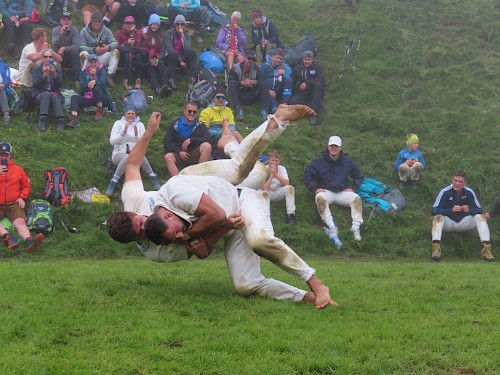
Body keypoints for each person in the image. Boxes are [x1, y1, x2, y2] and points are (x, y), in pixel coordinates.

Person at [108, 107, 335, 309]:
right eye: (140, 232)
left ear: (131, 212)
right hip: (228, 217)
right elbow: (203, 249)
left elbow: (133, 163)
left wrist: (149, 132)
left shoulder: (140, 197)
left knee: (245, 173)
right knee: (246, 285)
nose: (145, 224)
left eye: (140, 221)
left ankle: (273, 122)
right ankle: (308, 297)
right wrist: (214, 232)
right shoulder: (156, 249)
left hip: (197, 185)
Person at [304, 135, 364, 242]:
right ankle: (331, 226)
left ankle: (356, 228)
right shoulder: (319, 161)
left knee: (356, 198)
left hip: (342, 192)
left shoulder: (348, 161)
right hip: (326, 191)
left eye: (336, 146)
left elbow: (359, 176)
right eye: (332, 146)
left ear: (341, 148)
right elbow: (308, 175)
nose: (334, 148)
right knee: (319, 197)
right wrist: (314, 188)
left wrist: (353, 188)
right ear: (328, 147)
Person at [431, 170, 494, 262]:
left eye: (460, 181)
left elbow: (479, 210)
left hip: (464, 223)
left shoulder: (469, 192)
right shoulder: (445, 192)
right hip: (448, 223)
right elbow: (434, 210)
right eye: (455, 180)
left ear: (465, 183)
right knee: (437, 217)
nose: (457, 183)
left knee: (480, 217)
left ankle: (486, 249)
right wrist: (451, 210)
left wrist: (470, 210)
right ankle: (436, 249)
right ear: (452, 180)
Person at [105, 104, 161, 195]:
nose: (131, 115)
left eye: (133, 114)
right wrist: (123, 133)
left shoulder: (140, 125)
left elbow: (143, 142)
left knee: (138, 155)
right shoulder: (118, 123)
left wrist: (136, 135)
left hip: (136, 154)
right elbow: (112, 141)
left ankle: (152, 176)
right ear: (125, 114)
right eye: (128, 113)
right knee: (128, 156)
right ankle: (113, 182)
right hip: (119, 154)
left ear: (135, 115)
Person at [0, 142, 44, 253]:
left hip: (13, 204)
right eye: (1, 154)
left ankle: (29, 242)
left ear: (10, 155)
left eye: (6, 154)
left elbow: (26, 186)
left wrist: (22, 197)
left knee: (20, 222)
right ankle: (8, 237)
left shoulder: (18, 170)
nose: (3, 157)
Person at [163, 102, 212, 176]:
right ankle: (178, 181)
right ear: (184, 111)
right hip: (178, 155)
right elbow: (167, 143)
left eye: (194, 112)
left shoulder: (200, 125)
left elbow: (208, 138)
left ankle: (199, 176)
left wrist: (191, 140)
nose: (192, 113)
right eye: (189, 111)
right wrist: (179, 152)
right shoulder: (174, 124)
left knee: (207, 146)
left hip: (193, 154)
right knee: (168, 157)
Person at [67, 53, 113, 126]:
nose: (93, 64)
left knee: (97, 86)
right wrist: (89, 84)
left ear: (98, 63)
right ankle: (74, 119)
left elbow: (102, 83)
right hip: (88, 98)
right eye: (91, 62)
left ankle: (99, 110)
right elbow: (81, 89)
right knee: (74, 97)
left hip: (101, 98)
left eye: (95, 62)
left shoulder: (102, 71)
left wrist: (95, 81)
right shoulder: (83, 73)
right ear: (87, 63)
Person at [199, 86, 243, 160]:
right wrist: (223, 132)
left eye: (223, 98)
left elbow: (232, 125)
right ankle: (242, 154)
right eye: (218, 97)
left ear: (225, 100)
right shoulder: (206, 112)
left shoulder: (228, 110)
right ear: (214, 99)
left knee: (236, 133)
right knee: (233, 136)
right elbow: (204, 130)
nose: (220, 99)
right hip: (213, 137)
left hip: (228, 133)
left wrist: (227, 132)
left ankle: (247, 152)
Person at [79, 10, 120, 87]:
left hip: (102, 57)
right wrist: (94, 49)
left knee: (115, 52)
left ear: (102, 22)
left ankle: (109, 75)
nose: (97, 23)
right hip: (89, 58)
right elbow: (81, 47)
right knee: (83, 53)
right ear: (91, 21)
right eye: (95, 21)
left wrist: (108, 47)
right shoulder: (84, 31)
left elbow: (115, 43)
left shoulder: (106, 30)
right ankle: (84, 75)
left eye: (99, 21)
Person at [31, 49, 65, 132]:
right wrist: (44, 76)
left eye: (50, 57)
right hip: (40, 94)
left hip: (53, 93)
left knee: (54, 95)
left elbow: (60, 85)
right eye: (45, 56)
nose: (48, 58)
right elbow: (35, 85)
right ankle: (42, 119)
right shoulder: (36, 69)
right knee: (46, 93)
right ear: (42, 58)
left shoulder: (57, 70)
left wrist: (55, 75)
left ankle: (60, 120)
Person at [161, 14, 198, 89]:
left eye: (182, 24)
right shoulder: (169, 33)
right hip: (172, 57)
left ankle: (192, 78)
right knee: (173, 54)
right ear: (175, 25)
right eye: (178, 24)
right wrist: (180, 61)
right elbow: (169, 48)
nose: (180, 26)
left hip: (183, 57)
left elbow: (188, 49)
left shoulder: (186, 35)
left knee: (192, 52)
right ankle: (171, 79)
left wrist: (182, 36)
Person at [290, 51, 325, 126]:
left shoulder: (318, 67)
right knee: (292, 102)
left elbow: (321, 79)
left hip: (315, 90)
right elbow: (293, 81)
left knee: (318, 85)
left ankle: (313, 113)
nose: (307, 61)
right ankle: (314, 103)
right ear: (303, 59)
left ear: (312, 60)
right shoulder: (297, 68)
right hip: (303, 91)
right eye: (305, 59)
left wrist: (307, 83)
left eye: (309, 59)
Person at [262, 149, 296, 225]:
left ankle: (291, 215)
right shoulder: (264, 169)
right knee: (263, 193)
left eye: (276, 161)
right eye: (272, 160)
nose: (274, 162)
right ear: (269, 160)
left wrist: (276, 174)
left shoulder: (282, 169)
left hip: (276, 192)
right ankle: (266, 217)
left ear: (279, 161)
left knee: (290, 188)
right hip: (265, 193)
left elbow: (286, 183)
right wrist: (271, 175)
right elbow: (265, 188)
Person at [142, 13, 172, 98]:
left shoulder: (161, 35)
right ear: (150, 24)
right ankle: (157, 89)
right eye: (153, 24)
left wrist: (158, 58)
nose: (155, 27)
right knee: (150, 69)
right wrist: (149, 59)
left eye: (157, 25)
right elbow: (143, 49)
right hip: (146, 58)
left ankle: (166, 86)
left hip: (156, 57)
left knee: (162, 65)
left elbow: (163, 50)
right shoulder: (143, 34)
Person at [258, 48, 292, 119]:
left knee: (289, 81)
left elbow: (289, 80)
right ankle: (274, 109)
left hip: (278, 89)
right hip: (266, 90)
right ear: (272, 57)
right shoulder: (264, 66)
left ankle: (284, 103)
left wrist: (284, 74)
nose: (278, 60)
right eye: (277, 58)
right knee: (266, 88)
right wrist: (268, 90)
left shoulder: (284, 67)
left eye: (280, 59)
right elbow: (260, 80)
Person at [115, 15, 146, 89]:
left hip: (135, 55)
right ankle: (126, 78)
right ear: (124, 25)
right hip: (123, 56)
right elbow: (116, 46)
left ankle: (138, 78)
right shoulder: (119, 33)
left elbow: (139, 44)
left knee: (138, 56)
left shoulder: (137, 32)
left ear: (134, 25)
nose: (129, 25)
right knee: (128, 55)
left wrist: (134, 33)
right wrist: (126, 42)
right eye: (127, 23)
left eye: (131, 23)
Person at [227, 49, 260, 121]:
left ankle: (265, 110)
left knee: (264, 84)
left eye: (253, 60)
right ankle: (237, 108)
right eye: (249, 58)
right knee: (232, 83)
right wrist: (241, 83)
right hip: (239, 94)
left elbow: (262, 80)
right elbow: (230, 81)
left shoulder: (257, 69)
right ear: (244, 58)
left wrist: (254, 82)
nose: (250, 61)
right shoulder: (235, 68)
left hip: (251, 94)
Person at [52, 12, 81, 89]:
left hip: (71, 56)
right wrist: (61, 34)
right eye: (64, 20)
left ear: (71, 22)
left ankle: (77, 79)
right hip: (59, 56)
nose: (66, 22)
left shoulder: (74, 31)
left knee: (75, 51)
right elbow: (54, 45)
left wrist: (64, 48)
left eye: (68, 20)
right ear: (60, 21)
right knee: (54, 52)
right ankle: (59, 80)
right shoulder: (55, 30)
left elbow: (77, 46)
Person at [0, 59, 13, 125]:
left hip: (2, 89)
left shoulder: (4, 65)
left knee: (1, 89)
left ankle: (6, 115)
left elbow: (7, 78)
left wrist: (4, 84)